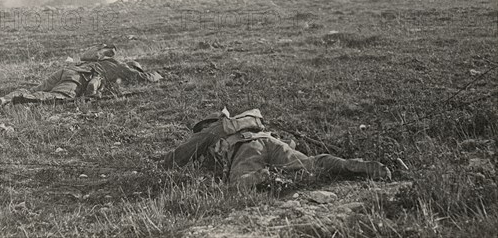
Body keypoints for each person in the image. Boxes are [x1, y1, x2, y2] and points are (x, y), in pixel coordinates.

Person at [165, 108, 391, 190]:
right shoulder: (248, 124)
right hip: (271, 141)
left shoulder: (212, 130)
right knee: (311, 164)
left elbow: (182, 154)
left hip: (246, 149)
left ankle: (266, 175)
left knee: (239, 182)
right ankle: (350, 165)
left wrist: (161, 165)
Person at [0, 44, 162, 105]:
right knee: (58, 96)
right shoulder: (119, 66)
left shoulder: (100, 60)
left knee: (36, 89)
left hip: (68, 69)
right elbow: (142, 77)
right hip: (78, 76)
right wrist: (159, 75)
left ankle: (5, 98)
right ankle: (18, 100)